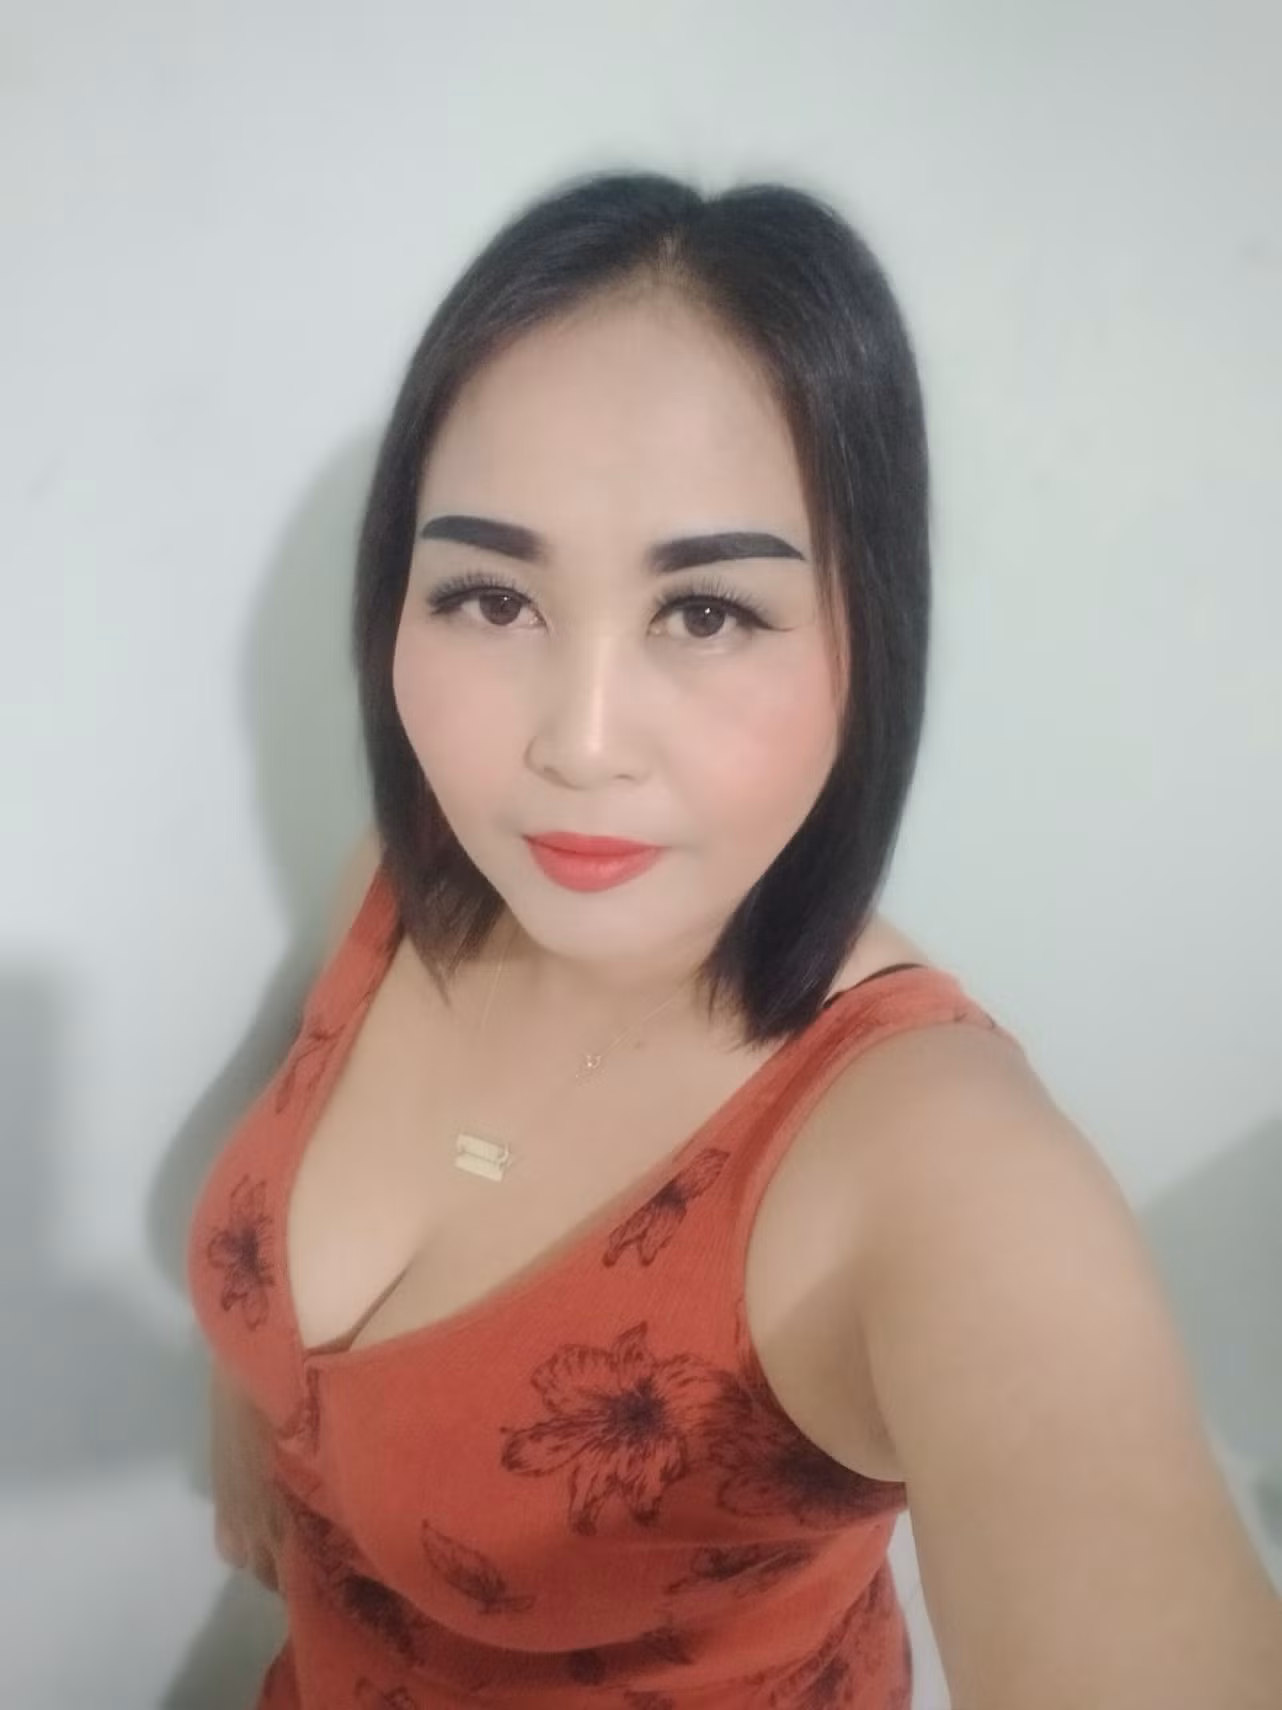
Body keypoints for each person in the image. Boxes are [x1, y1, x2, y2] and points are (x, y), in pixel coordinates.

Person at [186, 169, 1282, 1709]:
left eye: (705, 612)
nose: (575, 743)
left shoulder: (936, 1171)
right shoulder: (405, 880)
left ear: (865, 642)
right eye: (490, 596)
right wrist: (253, 1411)